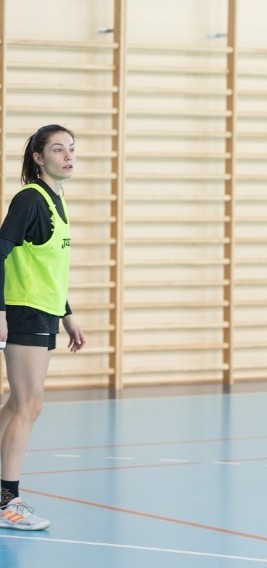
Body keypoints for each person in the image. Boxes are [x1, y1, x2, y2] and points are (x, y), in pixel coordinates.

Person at [0, 125, 86, 530]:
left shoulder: (56, 201)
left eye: (71, 148)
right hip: (23, 311)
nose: (68, 155)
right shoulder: (31, 200)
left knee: (18, 405)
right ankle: (5, 502)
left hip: (43, 312)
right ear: (38, 158)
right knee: (29, 405)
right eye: (57, 149)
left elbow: (46, 266)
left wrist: (67, 315)